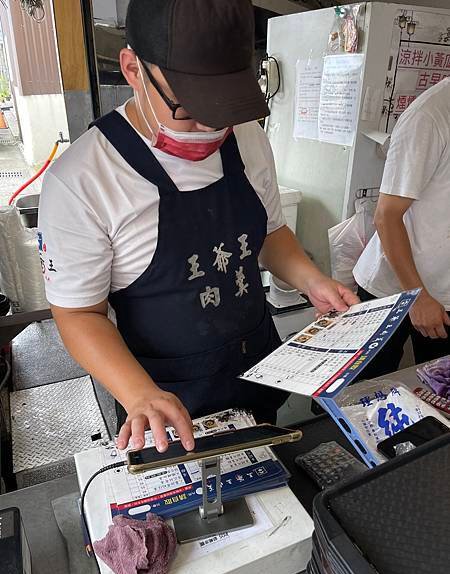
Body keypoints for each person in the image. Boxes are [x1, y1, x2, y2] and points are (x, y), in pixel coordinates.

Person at [38, 0, 358, 454]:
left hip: (256, 365)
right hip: (162, 396)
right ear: (133, 70)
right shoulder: (83, 180)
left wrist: (312, 280)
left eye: (223, 109)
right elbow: (77, 314)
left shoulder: (246, 137)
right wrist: (138, 394)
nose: (210, 128)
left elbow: (268, 233)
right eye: (188, 108)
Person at [354, 76, 450, 379]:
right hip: (395, 290)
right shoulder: (431, 116)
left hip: (444, 291)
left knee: (438, 395)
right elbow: (387, 216)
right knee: (368, 394)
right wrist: (417, 296)